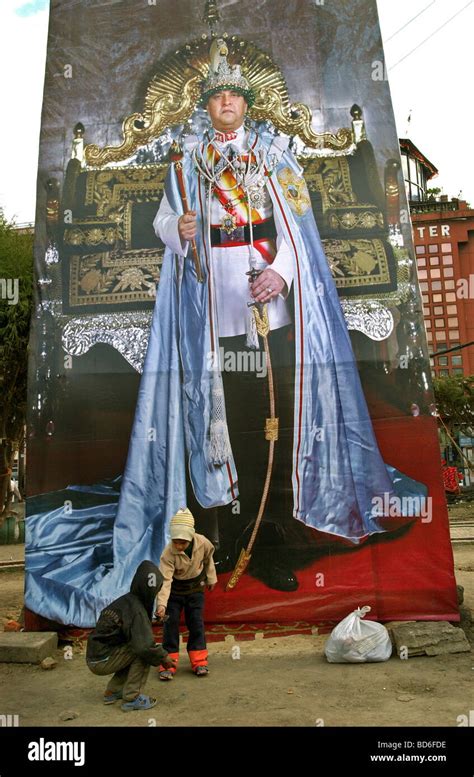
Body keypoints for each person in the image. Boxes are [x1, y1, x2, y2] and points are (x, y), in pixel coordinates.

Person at [113, 41, 427, 595]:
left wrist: (281, 272)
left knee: (274, 424)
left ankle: (272, 538)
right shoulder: (187, 165)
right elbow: (166, 218)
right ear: (206, 105)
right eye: (217, 96)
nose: (226, 102)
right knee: (228, 424)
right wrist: (176, 231)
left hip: (270, 314)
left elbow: (299, 228)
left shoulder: (273, 156)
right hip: (218, 316)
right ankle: (231, 537)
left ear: (247, 103)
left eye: (234, 94)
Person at [86, 559, 176, 711]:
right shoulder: (137, 610)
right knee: (144, 651)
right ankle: (132, 698)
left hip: (96, 655)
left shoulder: (127, 601)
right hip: (102, 659)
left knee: (133, 647)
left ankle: (113, 691)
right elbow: (145, 647)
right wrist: (163, 658)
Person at [155, 508, 217, 679]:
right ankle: (168, 663)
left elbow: (208, 560)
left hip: (195, 589)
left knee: (196, 622)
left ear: (191, 537)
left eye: (183, 542)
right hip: (175, 590)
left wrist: (211, 578)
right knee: (170, 624)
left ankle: (199, 662)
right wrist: (162, 604)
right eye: (175, 541)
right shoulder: (168, 553)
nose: (179, 546)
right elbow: (165, 581)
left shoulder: (203, 543)